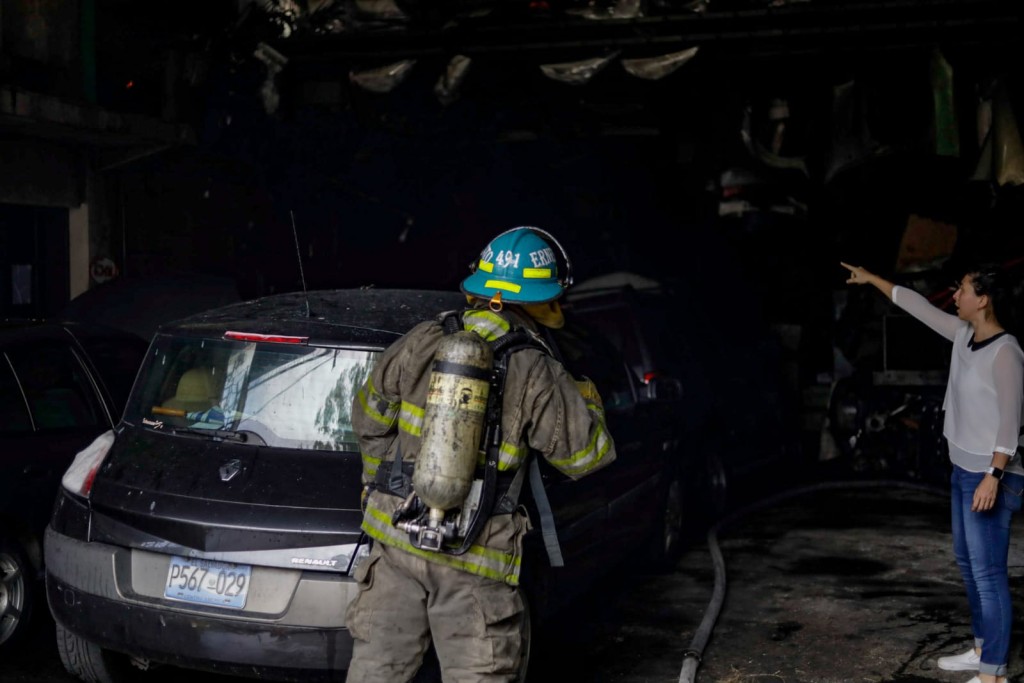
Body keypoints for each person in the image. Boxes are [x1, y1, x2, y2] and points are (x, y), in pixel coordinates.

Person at [345, 226, 617, 683]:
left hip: (396, 541)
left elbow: (369, 416)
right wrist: (585, 397)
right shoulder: (537, 367)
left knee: (375, 673)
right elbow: (585, 457)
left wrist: (377, 488)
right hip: (475, 559)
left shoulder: (423, 339)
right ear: (543, 298)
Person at [840, 261, 1024, 683]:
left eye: (961, 289)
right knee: (968, 563)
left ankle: (993, 673)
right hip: (964, 470)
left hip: (991, 476)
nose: (954, 296)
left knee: (988, 571)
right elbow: (916, 305)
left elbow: (1009, 424)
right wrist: (873, 280)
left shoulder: (1007, 353)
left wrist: (993, 476)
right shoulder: (963, 336)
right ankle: (981, 651)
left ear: (983, 299)